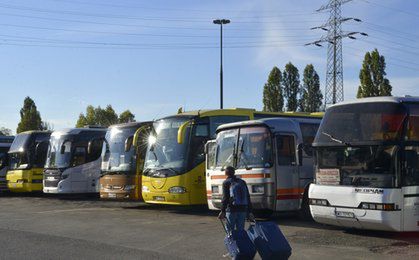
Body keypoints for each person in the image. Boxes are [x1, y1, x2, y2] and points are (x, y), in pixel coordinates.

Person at [218, 166, 255, 231]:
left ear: (226, 173)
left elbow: (225, 198)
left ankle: (231, 241)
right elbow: (247, 196)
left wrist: (222, 211)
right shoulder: (242, 182)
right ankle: (240, 241)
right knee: (240, 230)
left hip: (232, 209)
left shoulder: (226, 182)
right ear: (234, 172)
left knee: (230, 231)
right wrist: (250, 211)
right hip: (243, 209)